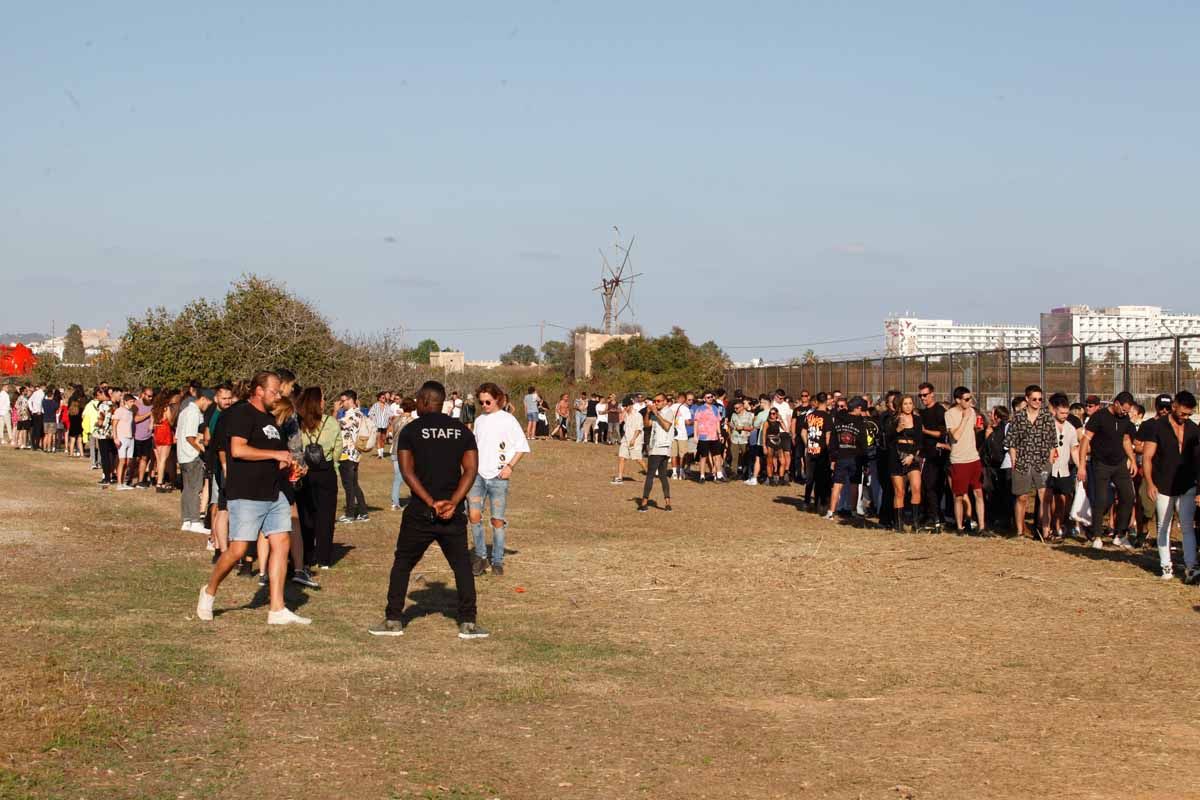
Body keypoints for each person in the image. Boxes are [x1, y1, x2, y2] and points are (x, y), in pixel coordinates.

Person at [368, 380, 488, 639]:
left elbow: (406, 471)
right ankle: (468, 622)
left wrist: (431, 502)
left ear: (422, 401)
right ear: (442, 402)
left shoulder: (411, 431)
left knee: (402, 564)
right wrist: (454, 502)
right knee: (462, 567)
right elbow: (471, 469)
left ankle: (393, 620)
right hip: (452, 512)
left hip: (421, 511)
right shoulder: (461, 431)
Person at [195, 371, 311, 626]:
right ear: (258, 390)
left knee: (282, 542)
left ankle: (277, 609)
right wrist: (274, 455)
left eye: (280, 392)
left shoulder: (272, 420)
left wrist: (290, 465)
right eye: (274, 391)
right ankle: (210, 590)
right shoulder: (241, 413)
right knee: (238, 550)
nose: (278, 395)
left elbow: (276, 454)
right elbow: (238, 449)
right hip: (246, 493)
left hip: (274, 491)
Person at [468, 383, 531, 577]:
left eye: (488, 401)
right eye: (481, 402)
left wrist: (509, 466)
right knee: (474, 517)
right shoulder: (479, 420)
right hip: (477, 476)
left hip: (498, 477)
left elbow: (522, 447)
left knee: (497, 520)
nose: (485, 405)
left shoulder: (508, 420)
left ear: (497, 399)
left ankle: (497, 560)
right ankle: (480, 557)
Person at [1141, 391, 1200, 583]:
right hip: (1163, 484)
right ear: (1174, 406)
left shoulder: (1193, 429)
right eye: (1183, 413)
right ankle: (1166, 566)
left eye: (1189, 415)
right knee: (1163, 526)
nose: (1185, 418)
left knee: (1187, 527)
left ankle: (1191, 568)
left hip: (1187, 484)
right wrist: (1149, 483)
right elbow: (1147, 457)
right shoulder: (1156, 427)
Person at [1078, 392, 1137, 551]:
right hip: (1101, 464)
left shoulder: (1124, 419)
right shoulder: (1099, 417)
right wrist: (1082, 465)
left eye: (1127, 411)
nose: (1125, 413)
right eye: (1123, 410)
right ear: (1116, 403)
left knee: (1128, 496)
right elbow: (1086, 440)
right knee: (1101, 499)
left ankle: (1120, 535)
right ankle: (1097, 536)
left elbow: (1125, 439)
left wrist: (1132, 459)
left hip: (1119, 464)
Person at [1004, 385, 1057, 540]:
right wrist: (1014, 460)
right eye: (1034, 399)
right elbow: (1011, 442)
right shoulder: (1018, 417)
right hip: (1022, 461)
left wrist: (1050, 460)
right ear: (1027, 399)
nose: (1038, 402)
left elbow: (1053, 442)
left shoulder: (1047, 417)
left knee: (1045, 496)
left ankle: (1046, 531)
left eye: (1040, 399)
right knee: (1022, 497)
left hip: (1042, 462)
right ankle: (1020, 531)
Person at [945, 386, 987, 535]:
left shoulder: (973, 412)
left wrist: (978, 428)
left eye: (971, 399)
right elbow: (955, 436)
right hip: (959, 460)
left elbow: (974, 430)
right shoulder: (950, 414)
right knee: (959, 495)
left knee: (978, 492)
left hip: (973, 458)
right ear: (958, 400)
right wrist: (964, 419)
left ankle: (982, 527)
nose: (970, 402)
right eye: (967, 399)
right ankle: (959, 527)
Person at [827, 398, 869, 524]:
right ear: (857, 408)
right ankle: (853, 511)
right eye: (861, 409)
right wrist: (865, 461)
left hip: (841, 456)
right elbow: (863, 443)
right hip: (855, 458)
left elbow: (833, 439)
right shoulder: (861, 422)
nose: (862, 413)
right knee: (854, 484)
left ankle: (831, 512)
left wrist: (833, 457)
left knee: (837, 484)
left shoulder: (839, 419)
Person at [176, 390, 213, 534]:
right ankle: (195, 520)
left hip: (182, 455)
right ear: (203, 399)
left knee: (187, 488)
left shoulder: (184, 411)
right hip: (191, 456)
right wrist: (202, 451)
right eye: (208, 403)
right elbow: (190, 437)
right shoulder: (193, 413)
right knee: (195, 488)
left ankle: (186, 520)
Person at [1046, 393, 1080, 542]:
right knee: (1048, 499)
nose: (1065, 416)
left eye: (1067, 413)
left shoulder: (1071, 428)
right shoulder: (1047, 426)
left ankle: (1058, 525)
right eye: (1062, 413)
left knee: (1063, 499)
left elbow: (1074, 449)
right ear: (1054, 411)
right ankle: (1047, 527)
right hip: (1049, 469)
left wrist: (1080, 466)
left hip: (1064, 470)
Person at [887, 395, 923, 532]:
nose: (908, 406)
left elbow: (920, 441)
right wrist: (898, 430)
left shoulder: (918, 419)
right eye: (905, 404)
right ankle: (899, 524)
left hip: (911, 454)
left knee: (916, 487)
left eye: (910, 403)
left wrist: (912, 456)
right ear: (900, 406)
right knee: (900, 491)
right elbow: (888, 438)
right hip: (896, 455)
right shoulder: (893, 419)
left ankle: (915, 523)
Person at [916, 383, 949, 532]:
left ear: (932, 394)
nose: (923, 398)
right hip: (924, 453)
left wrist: (925, 431)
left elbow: (942, 434)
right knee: (925, 487)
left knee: (933, 487)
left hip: (937, 455)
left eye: (925, 395)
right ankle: (931, 515)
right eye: (920, 395)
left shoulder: (939, 411)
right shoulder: (922, 413)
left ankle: (935, 517)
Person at [336, 390, 369, 523]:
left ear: (350, 400)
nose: (341, 403)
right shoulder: (360, 414)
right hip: (355, 454)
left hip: (346, 454)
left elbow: (333, 425)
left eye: (343, 401)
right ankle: (363, 512)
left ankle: (350, 514)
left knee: (348, 485)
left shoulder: (351, 415)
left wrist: (335, 411)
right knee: (354, 484)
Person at [638, 393, 674, 513]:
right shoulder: (655, 413)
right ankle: (668, 503)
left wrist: (656, 413)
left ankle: (644, 502)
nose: (656, 403)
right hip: (657, 447)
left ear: (665, 402)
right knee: (663, 475)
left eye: (658, 401)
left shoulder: (668, 412)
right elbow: (646, 425)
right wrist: (648, 413)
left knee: (650, 475)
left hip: (660, 448)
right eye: (655, 401)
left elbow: (666, 426)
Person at [802, 393, 833, 510]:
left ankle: (806, 501)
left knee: (810, 478)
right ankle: (821, 503)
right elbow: (828, 436)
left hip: (811, 450)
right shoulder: (827, 416)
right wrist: (830, 452)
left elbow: (803, 432)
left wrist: (808, 444)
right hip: (822, 452)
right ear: (826, 402)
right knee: (822, 478)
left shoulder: (810, 415)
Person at [693, 391, 726, 482]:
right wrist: (696, 435)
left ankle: (719, 474)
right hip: (703, 436)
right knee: (703, 457)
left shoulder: (715, 408)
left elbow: (717, 422)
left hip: (714, 436)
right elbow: (696, 422)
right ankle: (702, 476)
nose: (710, 398)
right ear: (704, 399)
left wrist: (719, 434)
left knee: (717, 455)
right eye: (708, 397)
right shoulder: (700, 409)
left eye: (711, 397)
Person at [389, 399, 416, 510]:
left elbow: (391, 433)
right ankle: (399, 502)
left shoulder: (395, 420)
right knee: (408, 476)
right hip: (406, 452)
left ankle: (395, 502)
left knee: (397, 477)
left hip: (394, 450)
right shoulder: (413, 421)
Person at [613, 397, 644, 484]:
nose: (625, 408)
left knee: (638, 459)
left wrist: (633, 439)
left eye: (626, 406)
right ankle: (619, 477)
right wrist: (623, 413)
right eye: (624, 406)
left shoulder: (638, 415)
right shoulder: (626, 414)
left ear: (630, 405)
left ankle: (650, 474)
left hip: (635, 440)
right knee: (621, 457)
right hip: (625, 439)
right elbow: (620, 421)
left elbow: (638, 429)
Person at [152, 390, 176, 492]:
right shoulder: (166, 408)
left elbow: (153, 423)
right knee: (163, 459)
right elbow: (170, 421)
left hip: (158, 431)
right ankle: (160, 482)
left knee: (159, 458)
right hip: (165, 431)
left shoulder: (154, 409)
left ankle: (159, 479)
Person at [113, 393, 137, 489]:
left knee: (128, 461)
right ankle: (119, 483)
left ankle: (123, 482)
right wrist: (115, 437)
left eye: (133, 401)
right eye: (131, 401)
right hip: (122, 437)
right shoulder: (119, 411)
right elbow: (114, 424)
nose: (132, 403)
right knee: (122, 461)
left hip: (130, 438)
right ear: (125, 401)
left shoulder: (130, 412)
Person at [132, 387, 155, 487]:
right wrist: (149, 414)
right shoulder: (136, 404)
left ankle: (141, 480)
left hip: (148, 436)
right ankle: (130, 478)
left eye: (151, 396)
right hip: (136, 436)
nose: (150, 398)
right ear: (143, 394)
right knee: (134, 459)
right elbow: (135, 419)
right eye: (148, 396)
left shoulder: (153, 405)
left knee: (144, 458)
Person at [727, 398, 754, 481]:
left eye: (737, 408)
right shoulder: (734, 415)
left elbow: (752, 428)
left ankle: (745, 473)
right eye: (734, 408)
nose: (735, 410)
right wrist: (730, 426)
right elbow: (731, 424)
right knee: (734, 457)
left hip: (745, 439)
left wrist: (742, 428)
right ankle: (733, 473)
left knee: (745, 457)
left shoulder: (750, 415)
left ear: (742, 407)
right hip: (734, 439)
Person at [368, 391, 393, 459]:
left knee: (383, 439)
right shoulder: (375, 405)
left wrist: (390, 419)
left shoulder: (387, 406)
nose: (384, 399)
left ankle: (381, 453)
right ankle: (380, 454)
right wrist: (373, 420)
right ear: (379, 398)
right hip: (377, 425)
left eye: (384, 398)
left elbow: (391, 414)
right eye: (382, 398)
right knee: (378, 438)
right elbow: (370, 414)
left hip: (384, 425)